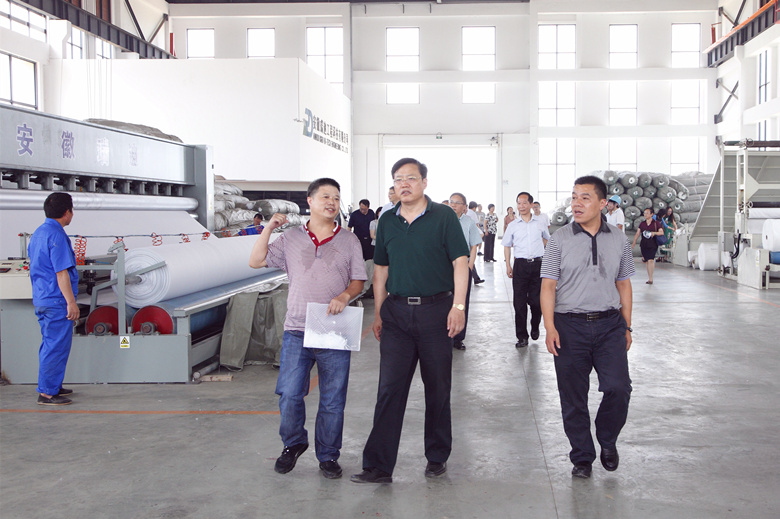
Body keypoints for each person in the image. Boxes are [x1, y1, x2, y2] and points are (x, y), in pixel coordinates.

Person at [351, 157, 469, 484]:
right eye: (398, 179)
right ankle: (378, 466)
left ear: (424, 183)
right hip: (397, 314)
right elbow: (381, 270)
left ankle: (437, 456)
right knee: (389, 389)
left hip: (436, 312)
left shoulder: (443, 216)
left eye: (411, 178)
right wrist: (379, 312)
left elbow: (460, 262)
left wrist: (458, 306)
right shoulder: (387, 221)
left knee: (438, 387)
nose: (404, 184)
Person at [249, 177, 367, 480]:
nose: (332, 202)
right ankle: (294, 443)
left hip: (334, 327)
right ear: (310, 201)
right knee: (289, 394)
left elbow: (358, 281)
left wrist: (344, 296)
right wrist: (269, 227)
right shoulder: (291, 239)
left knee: (332, 400)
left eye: (336, 198)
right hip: (297, 329)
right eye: (325, 196)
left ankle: (328, 456)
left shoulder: (349, 240)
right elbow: (256, 261)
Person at [540, 175, 634, 479]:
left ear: (602, 203)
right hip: (569, 326)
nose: (576, 204)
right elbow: (548, 285)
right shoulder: (559, 238)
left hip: (609, 325)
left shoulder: (618, 239)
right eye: (573, 197)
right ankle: (582, 456)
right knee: (573, 397)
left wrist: (627, 327)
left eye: (585, 197)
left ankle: (607, 437)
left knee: (619, 388)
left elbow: (624, 283)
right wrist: (550, 327)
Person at [28, 192, 80, 406]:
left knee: (50, 344)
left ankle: (52, 385)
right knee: (55, 346)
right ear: (67, 212)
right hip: (57, 300)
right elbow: (61, 273)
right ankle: (47, 393)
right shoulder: (56, 235)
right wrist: (71, 303)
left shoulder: (39, 233)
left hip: (43, 297)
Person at [502, 192, 550, 348]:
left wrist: (542, 252)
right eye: (519, 203)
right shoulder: (513, 225)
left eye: (524, 203)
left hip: (538, 266)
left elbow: (547, 239)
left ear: (531, 204)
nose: (521, 206)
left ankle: (535, 326)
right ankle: (522, 336)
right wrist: (508, 265)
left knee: (536, 302)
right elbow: (507, 245)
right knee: (519, 303)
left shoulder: (540, 223)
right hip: (520, 266)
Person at [449, 192, 484, 351]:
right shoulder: (444, 221)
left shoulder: (469, 222)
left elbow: (474, 245)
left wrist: (470, 266)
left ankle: (458, 338)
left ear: (464, 207)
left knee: (462, 302)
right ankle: (445, 335)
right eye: (451, 201)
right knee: (444, 301)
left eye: (457, 202)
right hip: (444, 268)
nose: (453, 205)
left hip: (463, 267)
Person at [631, 207, 664, 284]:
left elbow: (661, 232)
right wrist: (634, 241)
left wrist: (654, 233)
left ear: (652, 214)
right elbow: (638, 233)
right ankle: (649, 276)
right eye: (644, 213)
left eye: (647, 213)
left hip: (653, 244)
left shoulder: (656, 223)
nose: (645, 214)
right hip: (644, 244)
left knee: (651, 260)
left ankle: (651, 278)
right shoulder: (642, 223)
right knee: (647, 261)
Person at [466, 201, 484, 284]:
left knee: (470, 261)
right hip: (469, 243)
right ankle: (475, 278)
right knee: (470, 261)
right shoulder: (472, 213)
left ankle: (476, 278)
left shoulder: (466, 215)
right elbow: (477, 225)